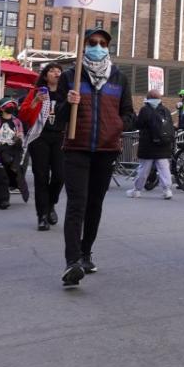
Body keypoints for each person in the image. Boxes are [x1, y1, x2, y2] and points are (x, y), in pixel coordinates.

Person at [58, 28, 135, 287]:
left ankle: (85, 252)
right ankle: (72, 262)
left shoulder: (119, 78)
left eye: (103, 43)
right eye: (93, 43)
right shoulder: (70, 76)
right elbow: (56, 119)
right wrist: (67, 103)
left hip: (106, 150)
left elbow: (129, 115)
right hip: (76, 149)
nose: (98, 47)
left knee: (94, 205)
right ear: (84, 45)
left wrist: (115, 125)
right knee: (76, 205)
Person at [19, 62, 67, 231]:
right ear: (46, 75)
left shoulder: (65, 93)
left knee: (60, 175)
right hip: (40, 136)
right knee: (41, 177)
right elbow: (23, 114)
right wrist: (35, 102)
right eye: (52, 71)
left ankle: (51, 203)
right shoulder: (36, 91)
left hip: (60, 137)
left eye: (59, 70)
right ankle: (42, 215)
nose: (56, 73)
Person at [127, 89, 174, 199]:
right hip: (163, 145)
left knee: (144, 169)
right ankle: (167, 190)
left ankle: (137, 190)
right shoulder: (165, 110)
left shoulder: (145, 110)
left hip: (148, 145)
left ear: (147, 98)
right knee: (164, 169)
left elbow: (138, 124)